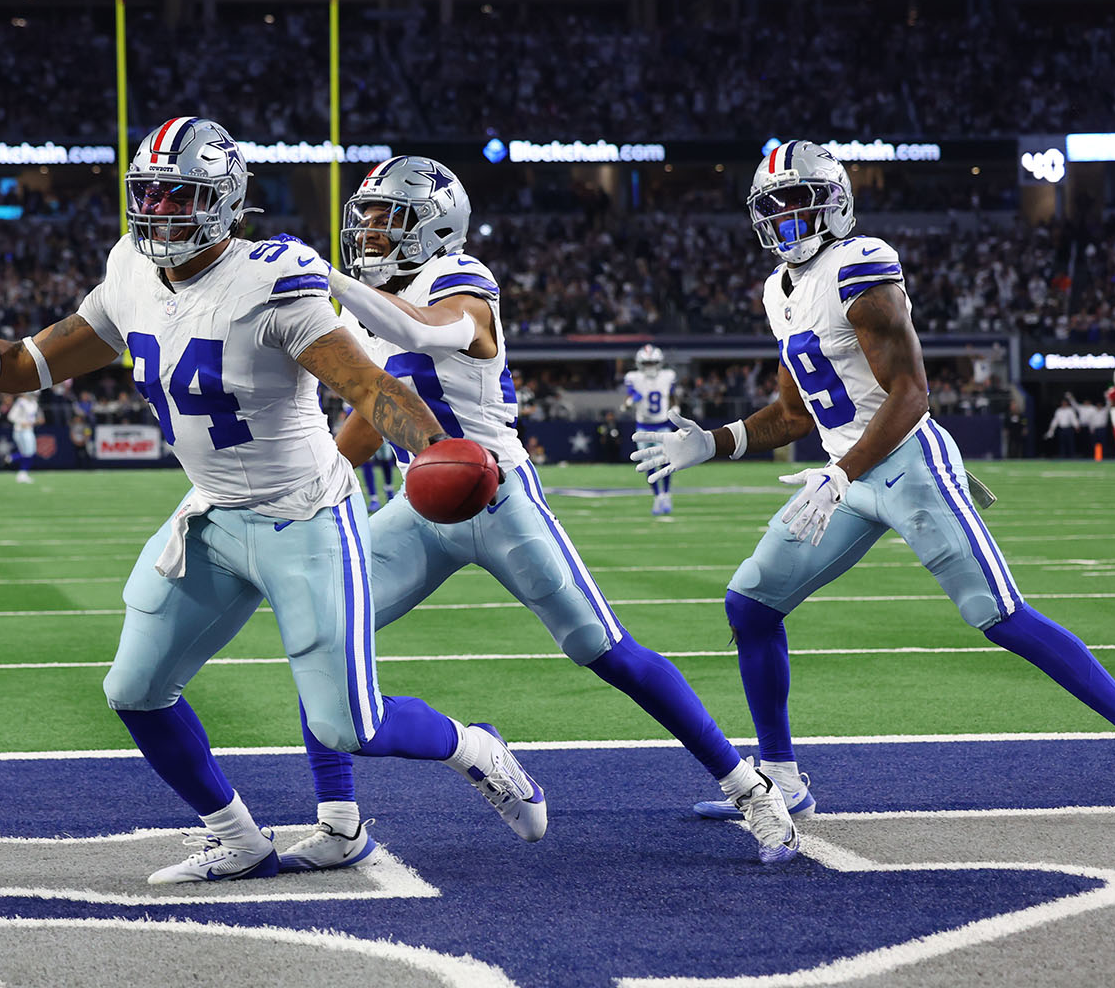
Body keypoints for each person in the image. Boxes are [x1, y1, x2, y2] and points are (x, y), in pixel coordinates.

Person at [0, 117, 547, 885]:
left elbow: (370, 387)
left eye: (181, 193)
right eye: (152, 192)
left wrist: (433, 451)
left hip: (302, 514)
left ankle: (477, 749)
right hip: (210, 514)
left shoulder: (273, 281)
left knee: (350, 722)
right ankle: (237, 838)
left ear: (228, 203)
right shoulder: (130, 271)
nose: (162, 208)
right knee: (133, 689)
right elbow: (19, 366)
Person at [632, 140, 1115, 829]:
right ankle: (782, 777)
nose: (783, 217)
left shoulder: (860, 265)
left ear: (834, 202)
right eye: (771, 205)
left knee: (998, 615)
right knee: (751, 605)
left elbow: (912, 394)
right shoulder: (777, 291)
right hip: (842, 477)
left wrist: (842, 472)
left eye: (795, 200)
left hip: (904, 462)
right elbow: (791, 413)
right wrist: (715, 442)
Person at [280, 155, 797, 869]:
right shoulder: (362, 313)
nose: (367, 231)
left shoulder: (458, 278)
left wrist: (327, 281)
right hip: (420, 507)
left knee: (605, 650)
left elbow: (435, 333)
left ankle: (751, 788)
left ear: (438, 228)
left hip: (497, 499)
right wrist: (320, 486)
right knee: (320, 630)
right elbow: (375, 415)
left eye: (386, 217)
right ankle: (341, 823)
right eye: (363, 216)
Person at [624, 344, 679, 515]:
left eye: (652, 363)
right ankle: (657, 496)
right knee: (647, 463)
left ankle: (666, 493)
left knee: (666, 460)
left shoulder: (667, 376)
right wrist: (630, 400)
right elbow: (630, 394)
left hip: (662, 424)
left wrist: (675, 408)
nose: (650, 367)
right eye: (646, 364)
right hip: (642, 427)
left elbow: (672, 396)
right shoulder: (633, 377)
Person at [6, 392, 40, 484]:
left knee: (30, 452)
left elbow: (31, 418)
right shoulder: (21, 402)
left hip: (29, 430)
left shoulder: (34, 403)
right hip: (19, 430)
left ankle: (14, 460)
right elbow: (11, 416)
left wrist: (34, 422)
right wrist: (21, 422)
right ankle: (21, 471)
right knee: (28, 453)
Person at [1045, 393, 1080, 458]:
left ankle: (1072, 456)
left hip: (1069, 429)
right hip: (1062, 429)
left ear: (1067, 403)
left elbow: (1073, 419)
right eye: (1063, 403)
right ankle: (1062, 456)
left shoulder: (1070, 410)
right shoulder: (1058, 411)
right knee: (1062, 443)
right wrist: (1051, 429)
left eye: (1065, 403)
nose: (1064, 404)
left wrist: (1076, 426)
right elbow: (1055, 420)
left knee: (1071, 443)